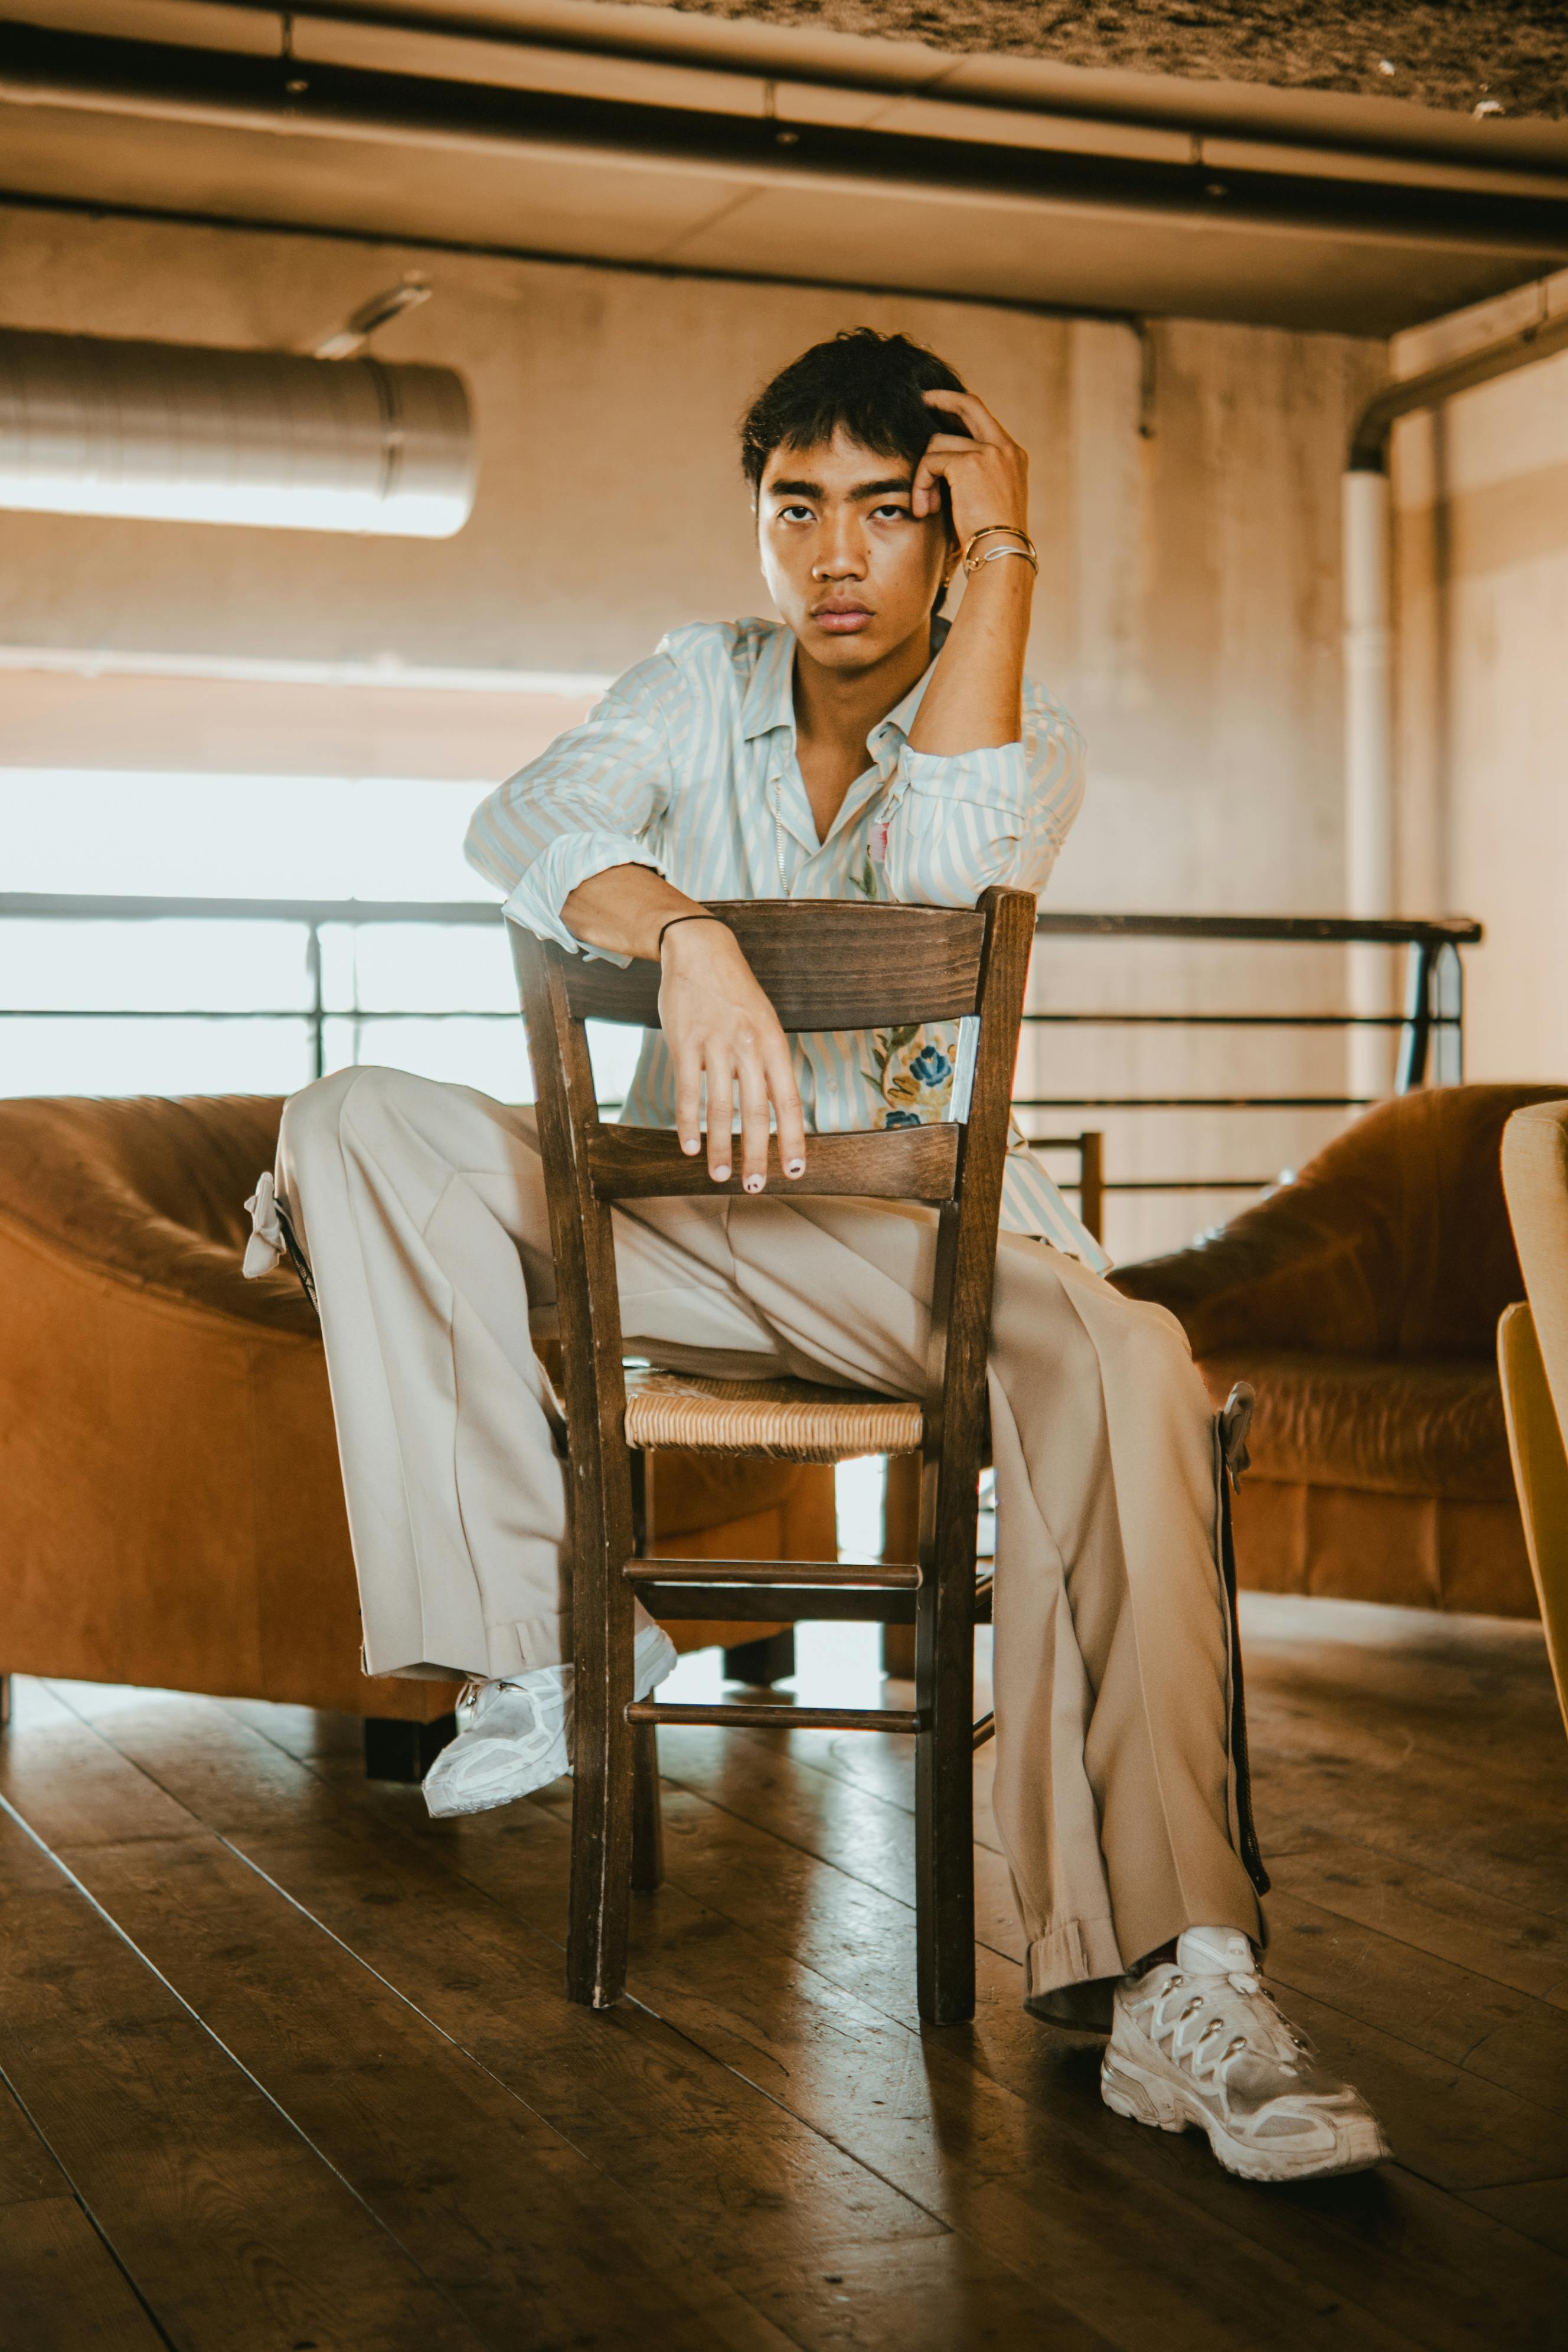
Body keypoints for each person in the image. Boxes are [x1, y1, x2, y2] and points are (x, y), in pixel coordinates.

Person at [249, 328, 1386, 2186]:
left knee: (1132, 1368)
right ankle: (545, 1638)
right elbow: (522, 822)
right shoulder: (696, 682)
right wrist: (687, 934)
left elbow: (940, 868)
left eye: (892, 512)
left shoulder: (1026, 727)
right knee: (356, 1116)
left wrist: (1012, 559)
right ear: (758, 523)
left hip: (922, 1253)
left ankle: (1191, 1975)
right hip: (675, 1232)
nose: (839, 556)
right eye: (800, 511)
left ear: (951, 538)